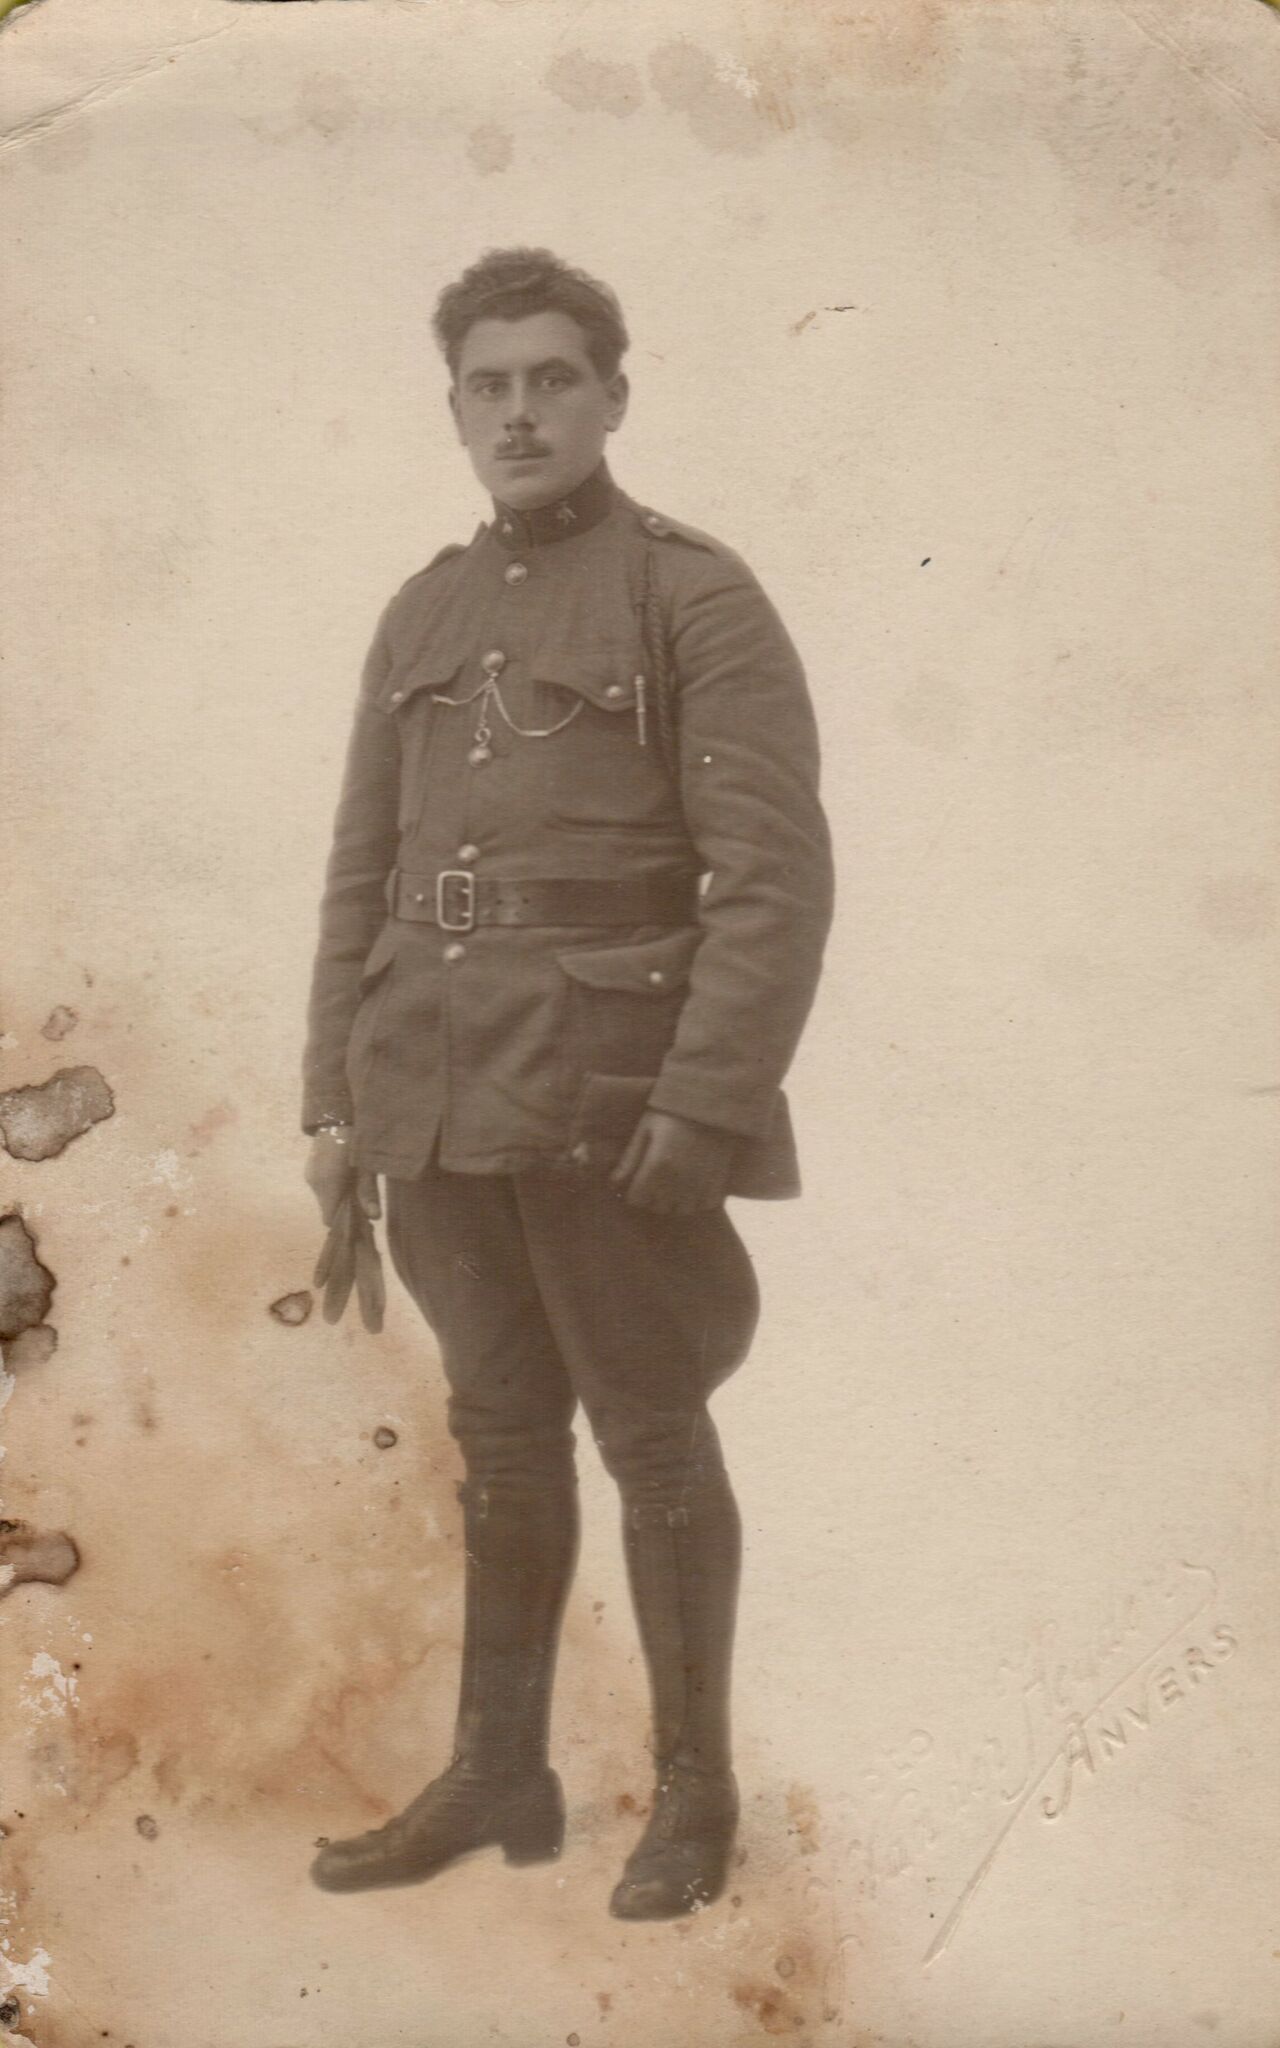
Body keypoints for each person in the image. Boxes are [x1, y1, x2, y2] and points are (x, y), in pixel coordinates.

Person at [301, 247, 834, 1918]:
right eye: (487, 385)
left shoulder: (697, 596)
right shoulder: (424, 610)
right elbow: (358, 874)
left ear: (612, 393)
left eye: (552, 380)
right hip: (433, 1093)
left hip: (608, 1100)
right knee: (503, 1442)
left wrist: (703, 1103)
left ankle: (695, 1795)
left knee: (654, 1441)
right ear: (454, 406)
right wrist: (334, 1106)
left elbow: (774, 880)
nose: (519, 413)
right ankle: (501, 1771)